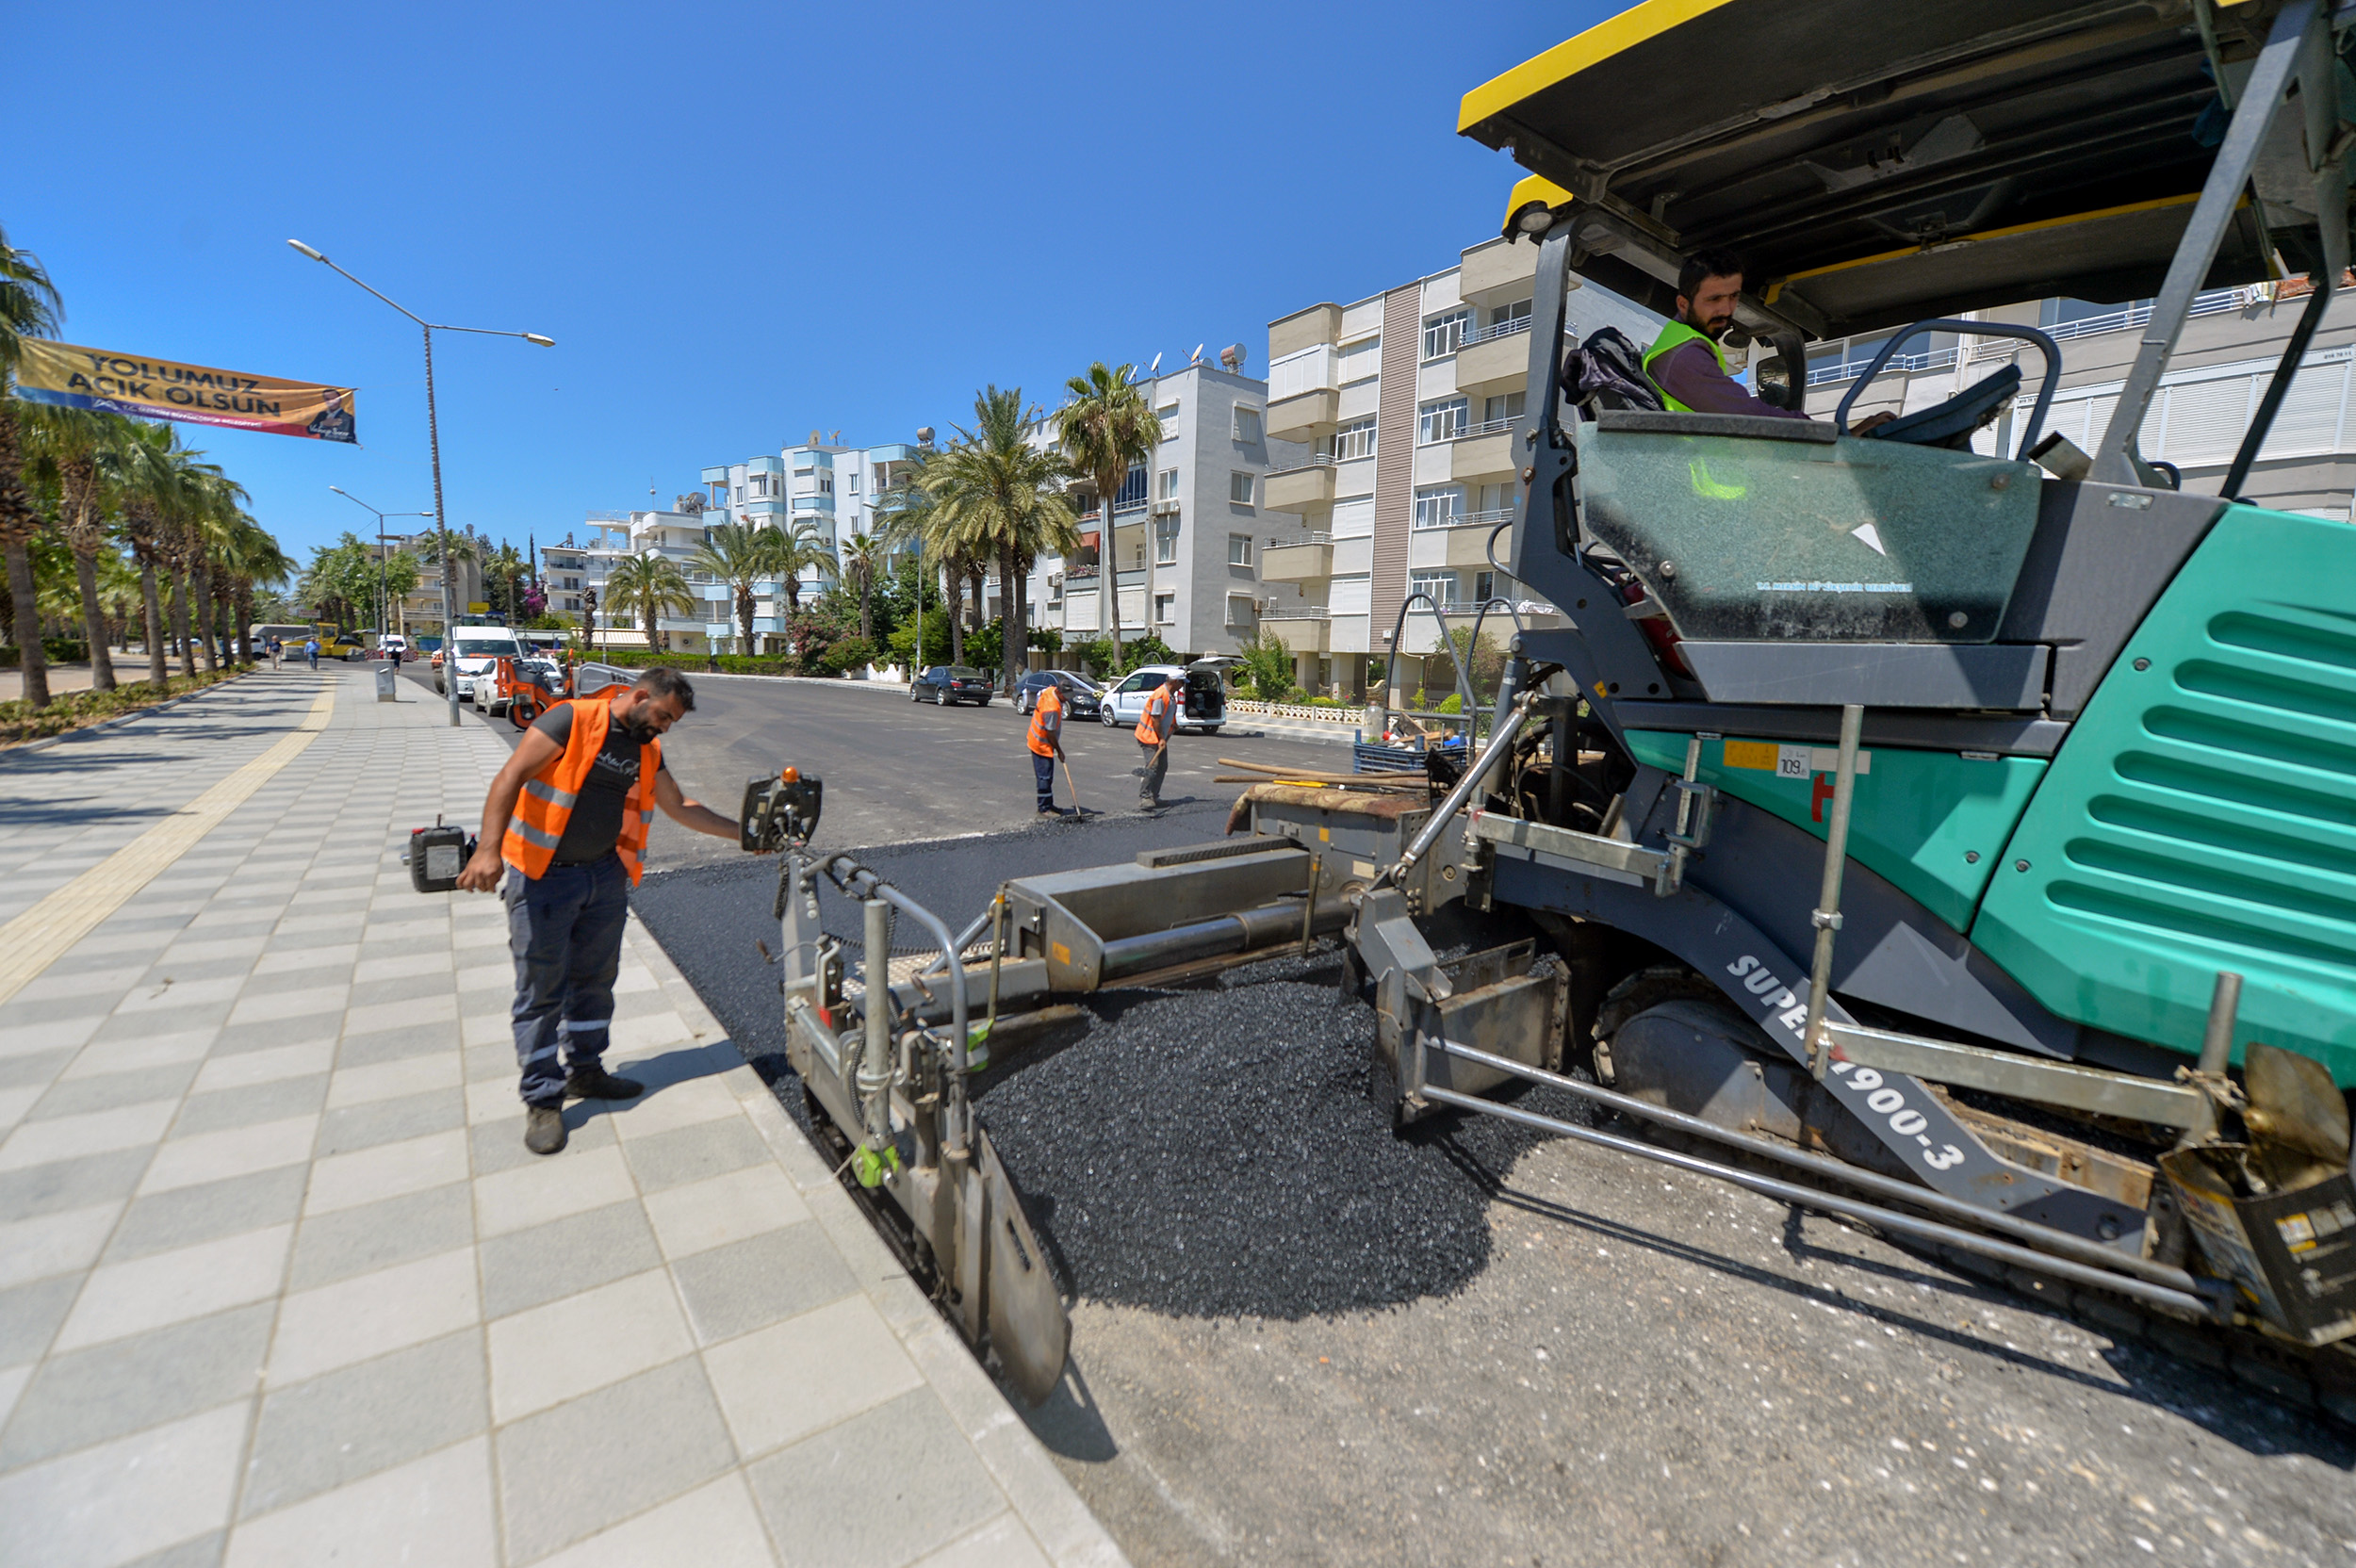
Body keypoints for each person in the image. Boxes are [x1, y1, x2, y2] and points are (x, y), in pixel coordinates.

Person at [456, 667, 747, 1154]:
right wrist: (488, 850)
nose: (664, 728)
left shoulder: (645, 748)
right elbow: (511, 776)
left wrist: (745, 834)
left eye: (672, 722)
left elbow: (680, 807)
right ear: (638, 696)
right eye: (662, 715)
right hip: (543, 875)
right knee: (542, 990)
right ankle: (543, 1099)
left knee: (594, 980)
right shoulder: (570, 720)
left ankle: (586, 1073)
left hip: (604, 876)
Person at [1644, 248, 1893, 433]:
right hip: (1698, 497)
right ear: (1683, 304)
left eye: (1732, 297)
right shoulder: (1685, 356)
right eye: (1713, 299)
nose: (1726, 309)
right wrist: (1837, 436)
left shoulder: (1682, 346)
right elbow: (1747, 416)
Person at [1135, 671, 1182, 808]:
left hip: (1159, 737)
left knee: (1162, 766)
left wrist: (1173, 724)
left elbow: (1167, 713)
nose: (1183, 685)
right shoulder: (1160, 695)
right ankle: (1145, 797)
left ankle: (1154, 796)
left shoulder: (1171, 696)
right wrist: (1161, 738)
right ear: (1174, 682)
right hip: (1149, 737)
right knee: (1153, 766)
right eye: (1182, 682)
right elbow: (1155, 718)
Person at [1027, 676, 1069, 816]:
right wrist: (1059, 751)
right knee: (1044, 777)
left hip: (1039, 740)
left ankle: (1049, 805)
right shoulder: (1052, 709)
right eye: (1066, 696)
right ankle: (1043, 808)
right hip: (1041, 744)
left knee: (1047, 776)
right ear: (1059, 692)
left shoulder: (1051, 690)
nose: (1068, 699)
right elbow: (1050, 733)